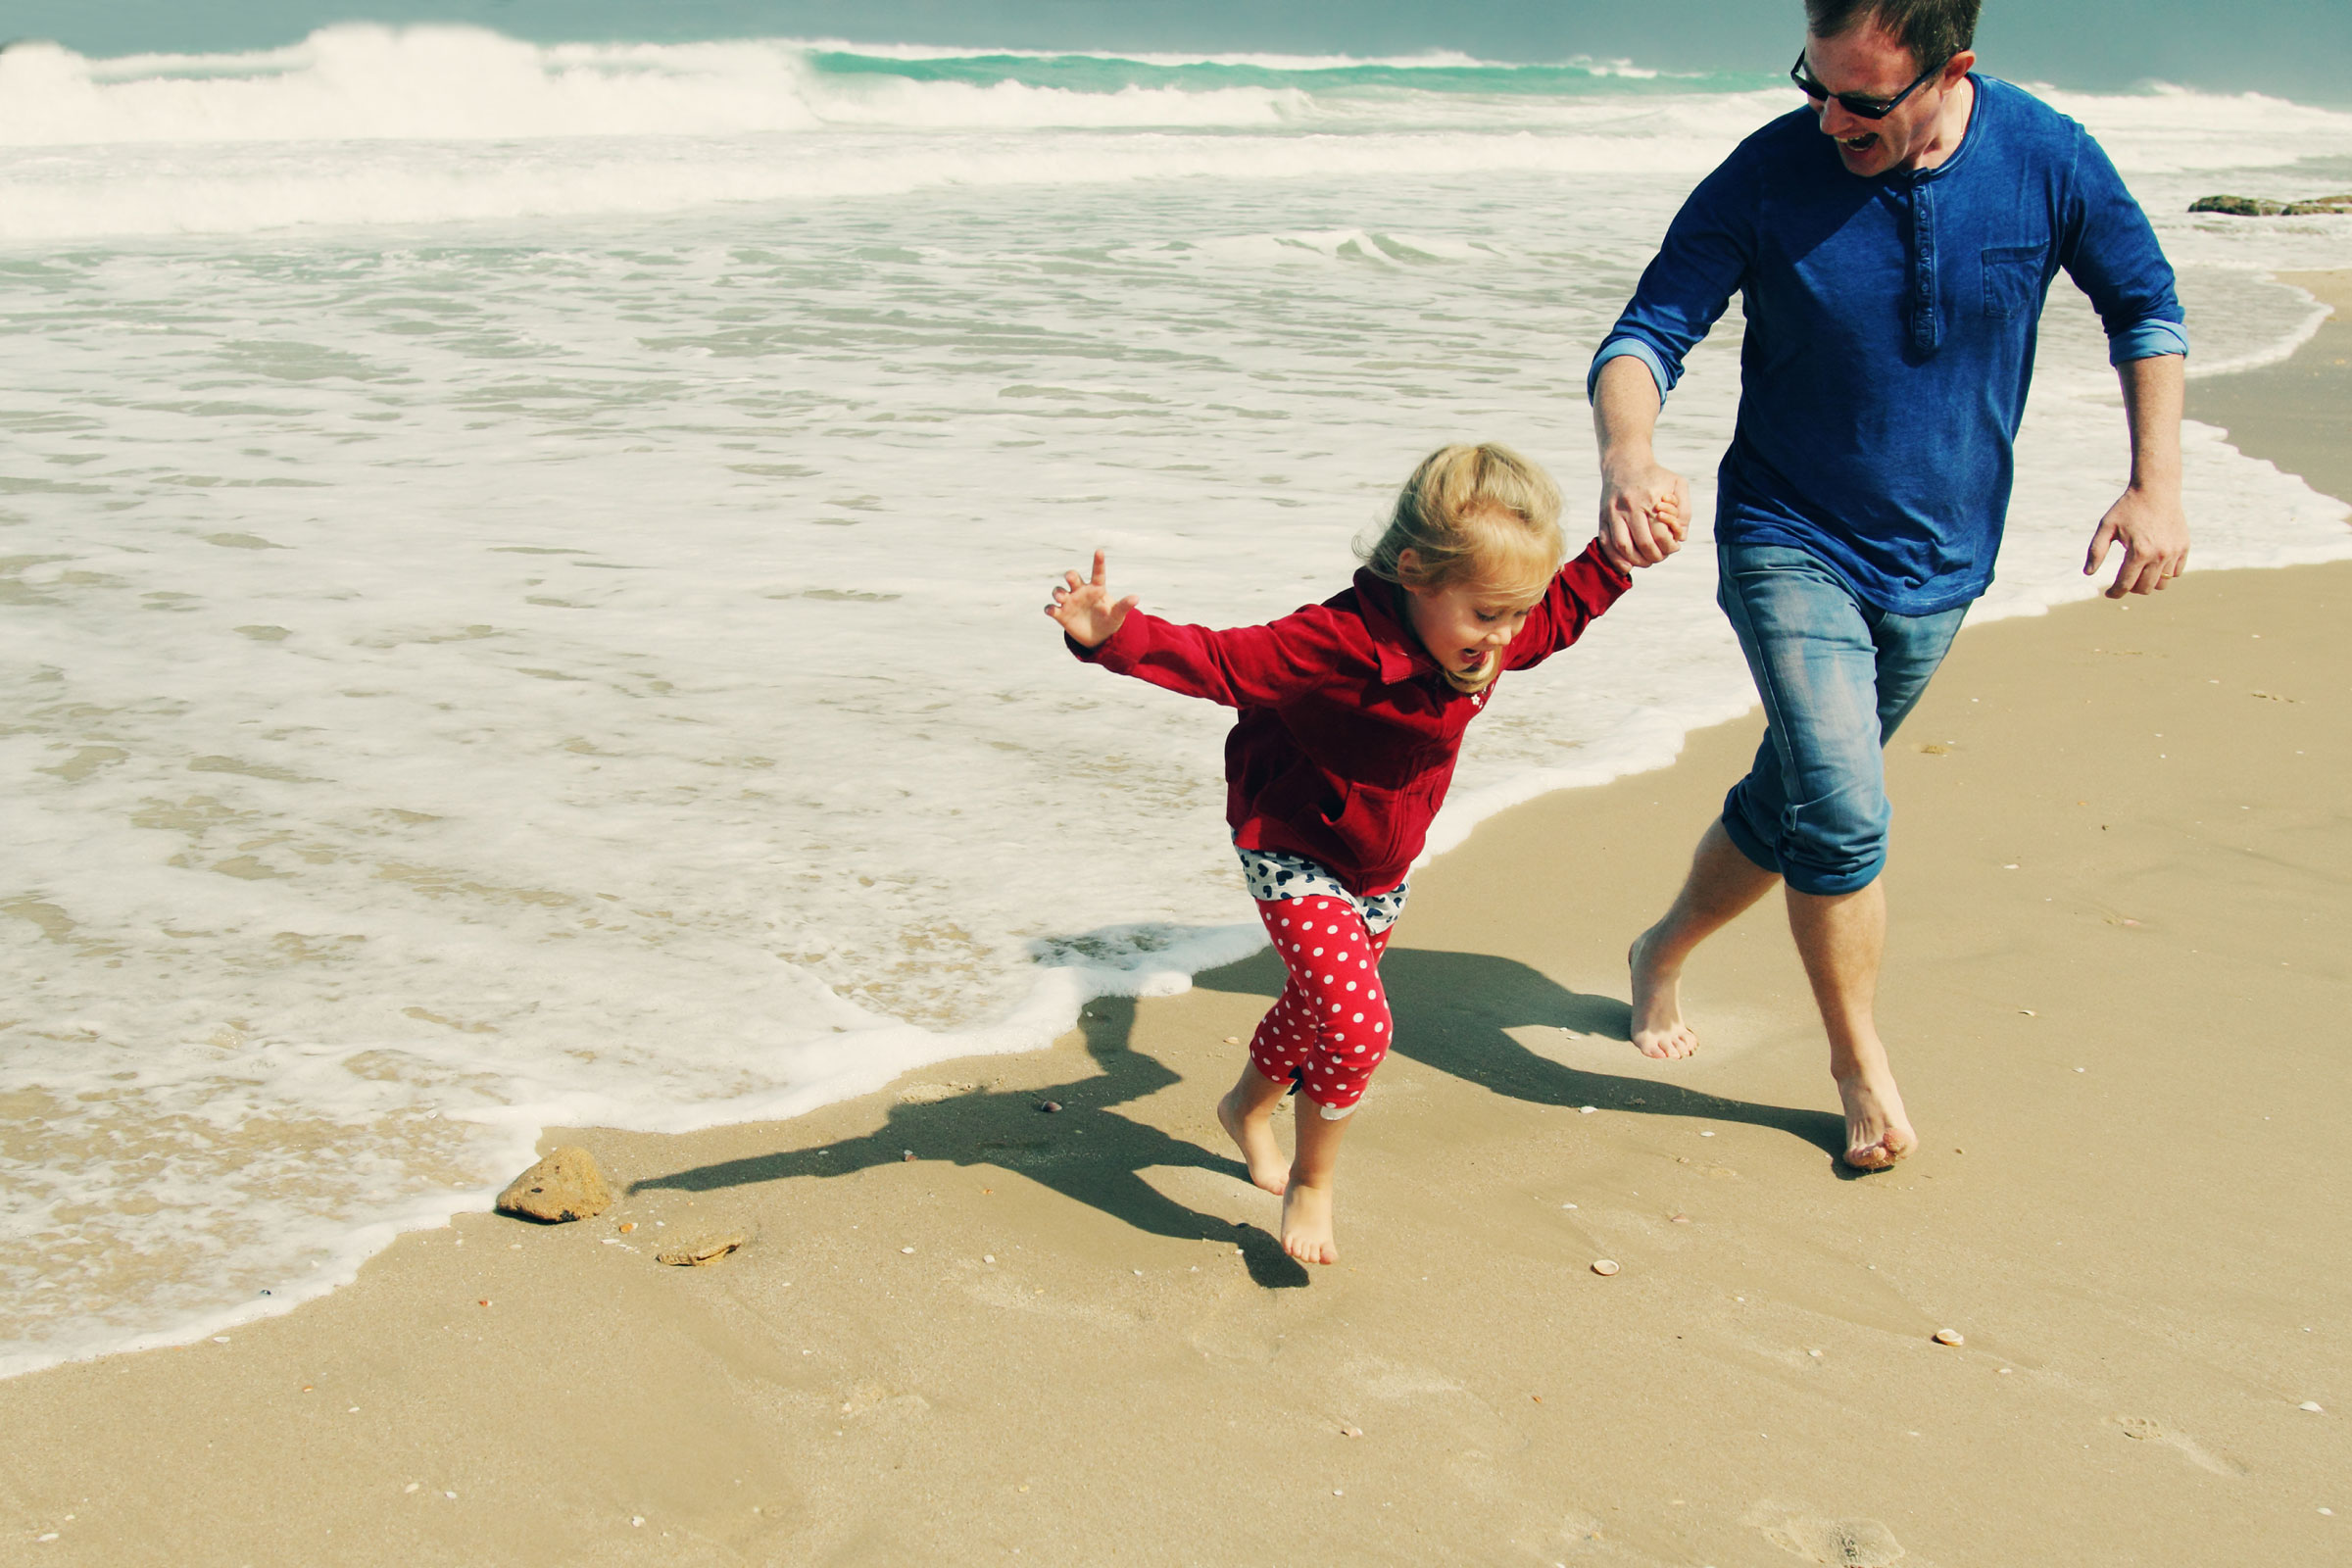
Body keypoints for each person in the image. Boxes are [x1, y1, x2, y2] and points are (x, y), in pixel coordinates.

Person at [1588, 0, 2189, 1170]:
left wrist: (2153, 485)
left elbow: (2146, 308)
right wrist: (1628, 451)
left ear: (1951, 71)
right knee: (1848, 807)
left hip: (1942, 560)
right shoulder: (1771, 170)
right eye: (1811, 82)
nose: (1826, 118)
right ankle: (1857, 1060)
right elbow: (1646, 333)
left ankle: (1658, 949)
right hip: (1786, 535)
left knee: (1800, 794)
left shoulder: (2045, 156)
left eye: (1861, 99)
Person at [1048, 444, 1650, 1262]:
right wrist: (1112, 638)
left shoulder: (1488, 635)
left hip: (1381, 862)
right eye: (1486, 615)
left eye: (1515, 614)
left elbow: (1563, 613)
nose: (1504, 637)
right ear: (1414, 572)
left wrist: (1619, 553)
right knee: (1359, 1024)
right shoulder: (1333, 641)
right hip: (1292, 842)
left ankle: (1245, 1109)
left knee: (1314, 1005)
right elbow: (1226, 663)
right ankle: (1314, 1181)